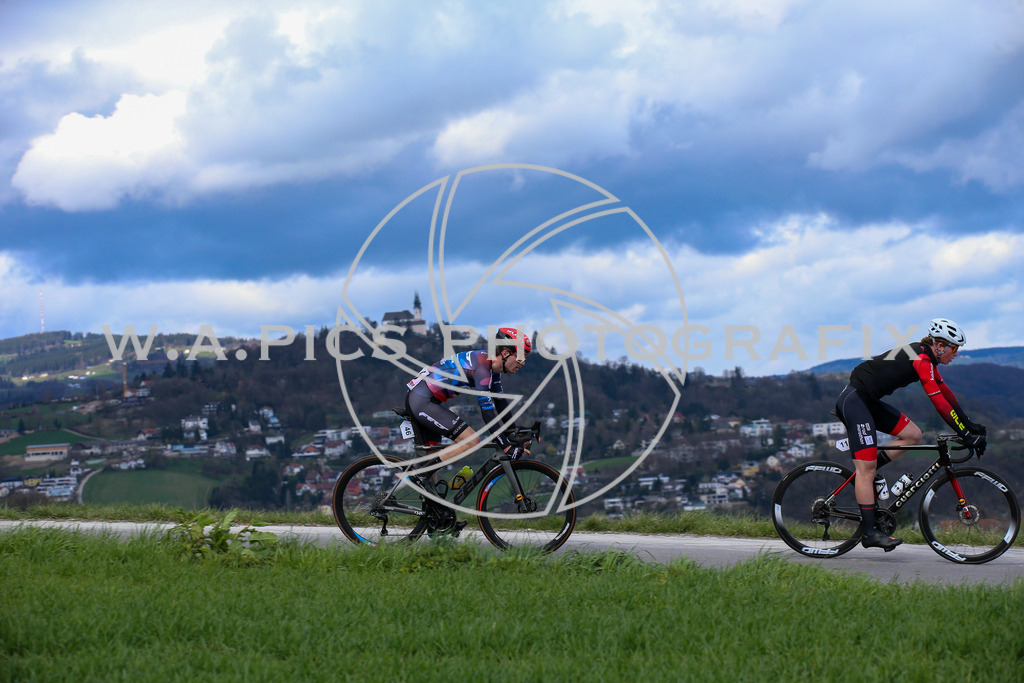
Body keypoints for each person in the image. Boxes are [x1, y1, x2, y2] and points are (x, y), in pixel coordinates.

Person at [834, 318, 987, 551]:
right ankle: (869, 533)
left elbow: (946, 394)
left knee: (913, 435)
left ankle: (869, 471)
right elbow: (938, 403)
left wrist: (970, 425)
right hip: (855, 401)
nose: (956, 353)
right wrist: (964, 434)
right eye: (954, 348)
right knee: (866, 470)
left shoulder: (927, 358)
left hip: (868, 401)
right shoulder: (922, 359)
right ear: (940, 345)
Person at [404, 327, 531, 476]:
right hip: (422, 400)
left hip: (425, 399)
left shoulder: (491, 368)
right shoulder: (483, 369)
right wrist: (507, 448)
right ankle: (418, 475)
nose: (522, 363)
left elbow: (501, 404)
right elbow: (488, 414)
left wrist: (513, 432)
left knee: (433, 460)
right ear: (505, 353)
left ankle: (429, 494)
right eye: (521, 358)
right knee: (471, 440)